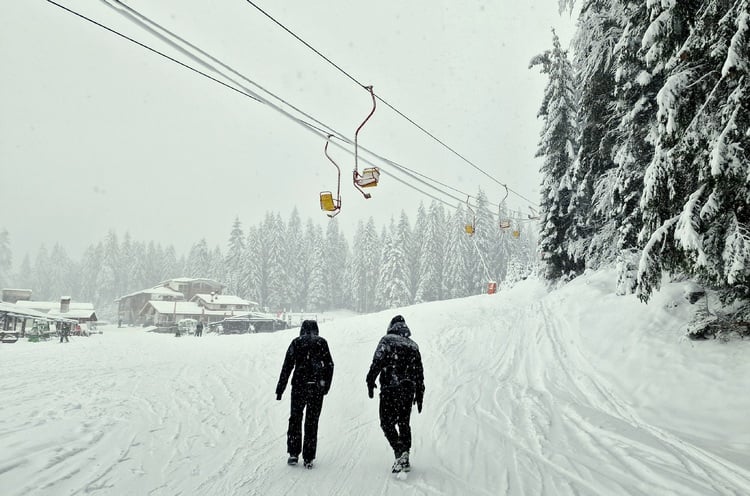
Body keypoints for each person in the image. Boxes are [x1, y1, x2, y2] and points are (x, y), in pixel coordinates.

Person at [366, 315, 424, 474]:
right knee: (404, 422)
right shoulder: (413, 346)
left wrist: (370, 380)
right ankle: (404, 455)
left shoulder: (387, 340)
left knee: (386, 422)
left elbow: (377, 361)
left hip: (390, 388)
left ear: (391, 326)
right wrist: (419, 393)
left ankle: (399, 452)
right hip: (408, 389)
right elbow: (419, 373)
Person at [276, 319, 334, 469]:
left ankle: (293, 453)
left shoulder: (296, 342)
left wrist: (280, 388)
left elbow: (287, 366)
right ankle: (308, 457)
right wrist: (325, 385)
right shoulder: (322, 342)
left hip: (299, 387)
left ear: (302, 329)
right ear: (316, 329)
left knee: (295, 419)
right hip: (316, 388)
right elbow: (329, 365)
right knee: (312, 421)